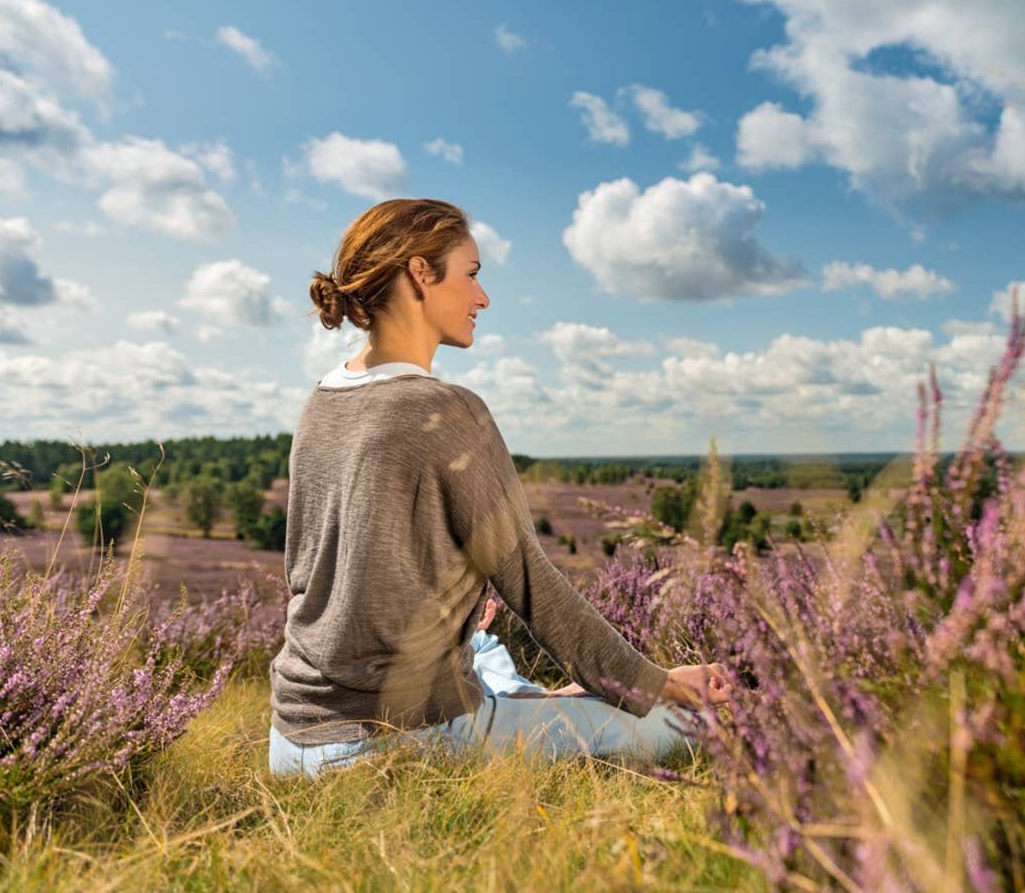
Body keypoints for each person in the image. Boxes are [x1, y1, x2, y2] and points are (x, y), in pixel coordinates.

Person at [269, 198, 729, 779]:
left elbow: (312, 579)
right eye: (472, 274)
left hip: (292, 741)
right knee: (696, 725)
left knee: (487, 659)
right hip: (403, 738)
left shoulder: (320, 402)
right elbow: (536, 591)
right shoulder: (446, 410)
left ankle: (536, 702)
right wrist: (656, 686)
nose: (482, 298)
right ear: (419, 273)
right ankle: (550, 706)